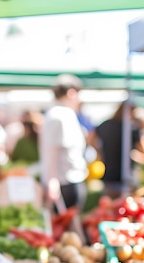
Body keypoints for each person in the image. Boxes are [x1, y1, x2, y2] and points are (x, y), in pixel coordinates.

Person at [39, 74, 88, 211]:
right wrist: (52, 181)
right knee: (66, 225)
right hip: (65, 180)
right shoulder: (59, 115)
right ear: (71, 93)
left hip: (67, 179)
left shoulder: (61, 113)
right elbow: (53, 149)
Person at [95, 101, 140, 197]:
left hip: (109, 175)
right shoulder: (132, 128)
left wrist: (100, 151)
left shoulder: (105, 125)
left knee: (110, 207)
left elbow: (90, 138)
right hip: (128, 177)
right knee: (126, 207)